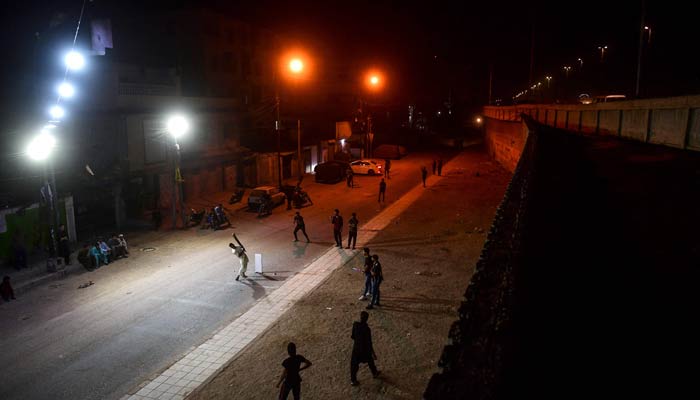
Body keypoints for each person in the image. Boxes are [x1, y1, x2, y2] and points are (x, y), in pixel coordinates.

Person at [350, 311, 380, 386]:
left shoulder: (355, 325)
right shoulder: (367, 329)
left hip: (356, 349)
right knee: (370, 361)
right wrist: (373, 353)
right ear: (366, 319)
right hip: (365, 350)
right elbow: (369, 342)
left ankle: (353, 380)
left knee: (354, 365)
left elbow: (353, 336)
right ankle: (375, 373)